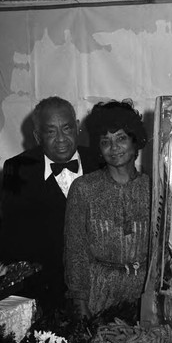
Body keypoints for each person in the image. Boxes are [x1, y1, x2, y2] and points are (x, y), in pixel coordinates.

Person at [0, 96, 99, 313]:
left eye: (66, 128)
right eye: (51, 132)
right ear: (38, 136)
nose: (61, 139)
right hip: (45, 292)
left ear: (76, 128)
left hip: (98, 289)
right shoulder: (17, 169)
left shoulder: (101, 161)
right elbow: (8, 233)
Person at [64, 99, 151, 319]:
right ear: (99, 149)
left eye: (121, 138)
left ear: (135, 141)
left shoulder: (154, 188)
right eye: (105, 142)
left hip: (145, 296)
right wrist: (80, 305)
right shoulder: (83, 189)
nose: (114, 148)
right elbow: (76, 252)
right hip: (98, 297)